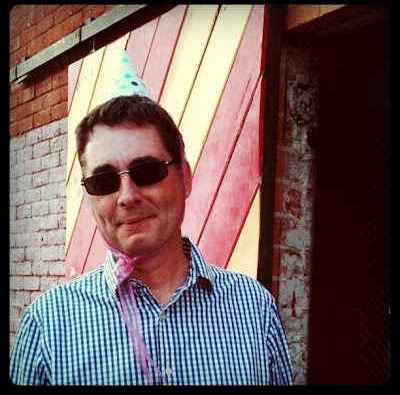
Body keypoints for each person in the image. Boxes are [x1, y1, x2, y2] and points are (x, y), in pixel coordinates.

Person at [10, 94, 293, 385]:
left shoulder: (255, 309)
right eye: (103, 181)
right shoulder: (47, 327)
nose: (127, 196)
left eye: (146, 171)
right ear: (88, 197)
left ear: (185, 177)